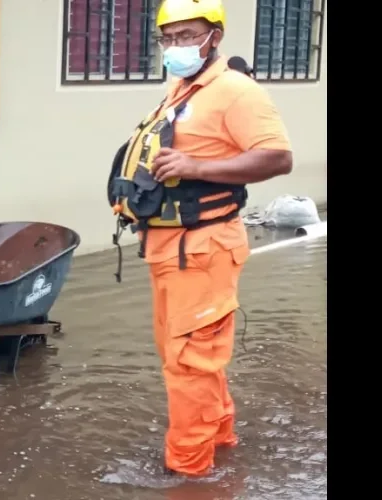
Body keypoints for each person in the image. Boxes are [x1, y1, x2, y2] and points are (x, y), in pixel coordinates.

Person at [106, 0, 293, 477]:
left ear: (214, 36)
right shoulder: (182, 88)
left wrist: (197, 168)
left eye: (186, 35)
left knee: (189, 364)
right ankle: (222, 445)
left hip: (205, 248)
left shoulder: (236, 91)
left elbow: (277, 157)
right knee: (190, 358)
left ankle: (190, 475)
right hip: (170, 249)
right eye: (167, 38)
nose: (175, 46)